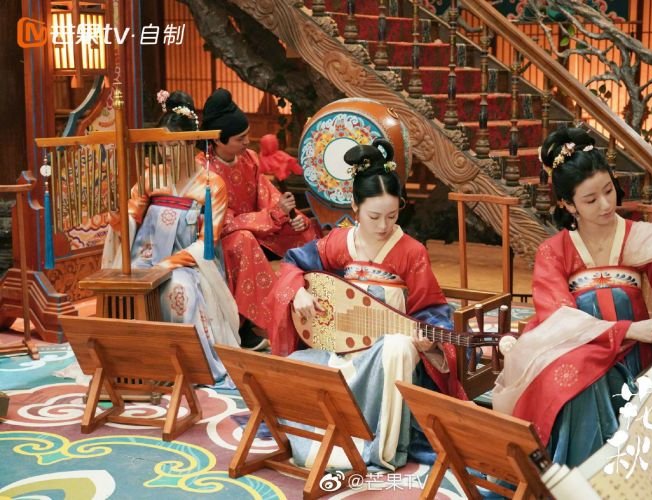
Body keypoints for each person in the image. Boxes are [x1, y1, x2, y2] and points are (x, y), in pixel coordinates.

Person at [491, 127, 652, 467]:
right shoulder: (553, 251)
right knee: (581, 381)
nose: (605, 204)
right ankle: (584, 475)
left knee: (595, 376)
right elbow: (559, 319)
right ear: (567, 204)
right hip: (576, 353)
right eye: (590, 199)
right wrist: (627, 329)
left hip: (636, 356)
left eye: (608, 191)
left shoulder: (645, 238)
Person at [265, 138, 467, 471]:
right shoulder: (338, 242)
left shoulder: (411, 252)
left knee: (398, 347)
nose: (384, 226)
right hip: (342, 347)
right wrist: (298, 290)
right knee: (294, 370)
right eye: (374, 216)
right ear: (355, 207)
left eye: (392, 215)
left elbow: (432, 310)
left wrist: (429, 342)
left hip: (391, 359)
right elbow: (293, 263)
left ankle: (379, 446)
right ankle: (332, 439)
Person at [102, 90, 240, 385]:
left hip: (187, 263)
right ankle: (129, 365)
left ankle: (187, 367)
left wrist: (166, 265)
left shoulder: (211, 184)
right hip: (144, 258)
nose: (166, 152)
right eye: (161, 145)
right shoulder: (151, 177)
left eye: (173, 145)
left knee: (178, 290)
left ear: (190, 143)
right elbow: (131, 218)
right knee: (122, 288)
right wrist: (116, 217)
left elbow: (207, 242)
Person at [197, 88, 317, 350]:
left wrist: (289, 214)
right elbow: (222, 220)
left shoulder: (249, 159)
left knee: (304, 229)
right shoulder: (202, 168)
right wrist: (272, 216)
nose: (247, 142)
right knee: (244, 240)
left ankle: (315, 297)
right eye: (240, 138)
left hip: (258, 224)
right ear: (217, 140)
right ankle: (255, 323)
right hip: (219, 238)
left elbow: (266, 193)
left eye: (247, 135)